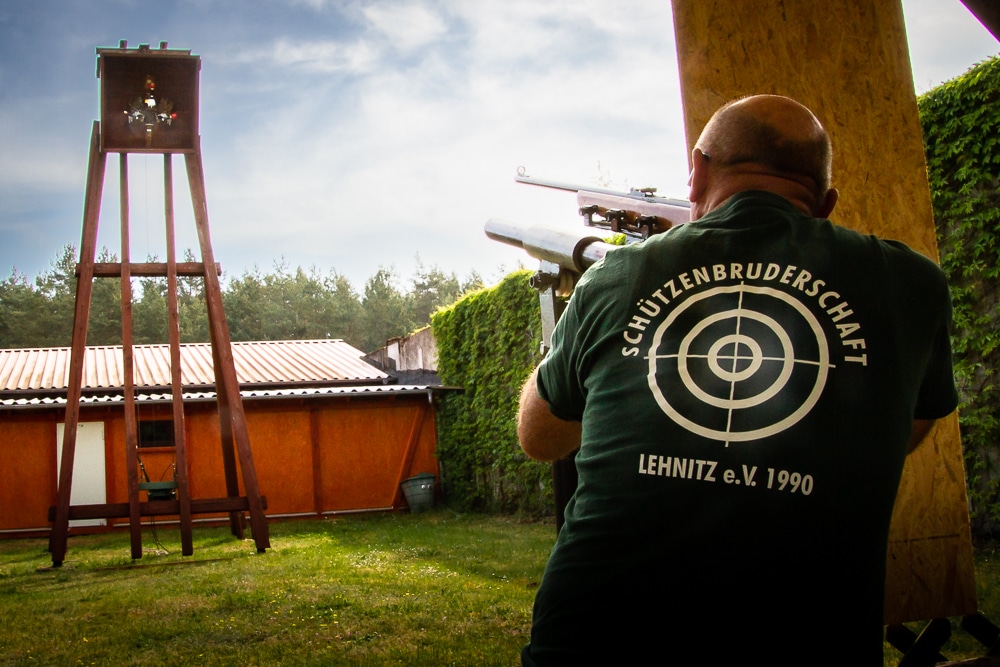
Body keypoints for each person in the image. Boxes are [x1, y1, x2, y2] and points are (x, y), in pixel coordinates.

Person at [516, 95, 958, 665]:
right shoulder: (914, 284)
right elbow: (905, 424)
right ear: (826, 203)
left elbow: (539, 437)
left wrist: (569, 349)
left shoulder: (617, 276)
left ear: (696, 171)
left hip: (598, 637)